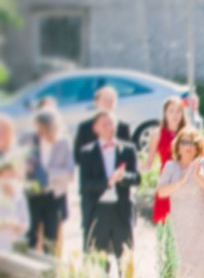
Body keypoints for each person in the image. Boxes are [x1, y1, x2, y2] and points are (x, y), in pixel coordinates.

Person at [155, 127, 204, 278]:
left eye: (192, 142)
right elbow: (161, 192)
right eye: (185, 142)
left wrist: (198, 176)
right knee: (182, 263)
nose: (189, 146)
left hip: (202, 221)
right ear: (178, 145)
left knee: (202, 263)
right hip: (180, 223)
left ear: (197, 146)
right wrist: (181, 181)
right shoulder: (171, 166)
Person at [78, 110, 139, 260]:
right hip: (97, 210)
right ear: (95, 128)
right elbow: (84, 185)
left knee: (125, 258)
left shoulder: (128, 149)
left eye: (111, 123)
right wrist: (108, 182)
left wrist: (122, 177)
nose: (108, 127)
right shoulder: (87, 152)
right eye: (104, 124)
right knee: (97, 259)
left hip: (121, 209)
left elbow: (136, 178)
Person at [24, 109, 73, 255]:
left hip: (54, 194)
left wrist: (48, 173)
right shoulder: (29, 139)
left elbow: (70, 173)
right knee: (30, 233)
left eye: (42, 127)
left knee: (51, 236)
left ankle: (49, 270)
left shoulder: (63, 142)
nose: (39, 131)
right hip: (34, 194)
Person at [145, 96, 188, 225]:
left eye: (178, 111)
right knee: (164, 223)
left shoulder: (187, 133)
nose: (175, 115)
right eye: (171, 111)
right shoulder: (157, 134)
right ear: (165, 113)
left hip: (184, 180)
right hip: (166, 181)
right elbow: (149, 162)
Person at [73, 86, 131, 161]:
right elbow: (78, 156)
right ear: (96, 103)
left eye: (111, 101)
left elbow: (128, 156)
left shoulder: (123, 127)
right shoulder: (85, 127)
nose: (108, 104)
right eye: (105, 101)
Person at [0, 162, 28, 251]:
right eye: (6, 176)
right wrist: (7, 224)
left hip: (13, 243)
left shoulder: (19, 196)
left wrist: (20, 227)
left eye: (11, 176)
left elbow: (25, 222)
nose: (8, 180)